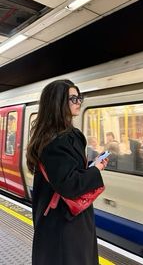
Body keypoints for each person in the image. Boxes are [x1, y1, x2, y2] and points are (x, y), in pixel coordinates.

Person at [26, 79, 108, 265]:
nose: (78, 102)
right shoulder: (61, 140)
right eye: (73, 98)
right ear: (57, 102)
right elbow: (69, 185)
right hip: (66, 225)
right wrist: (97, 168)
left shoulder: (48, 136)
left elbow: (65, 173)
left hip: (55, 223)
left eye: (79, 98)